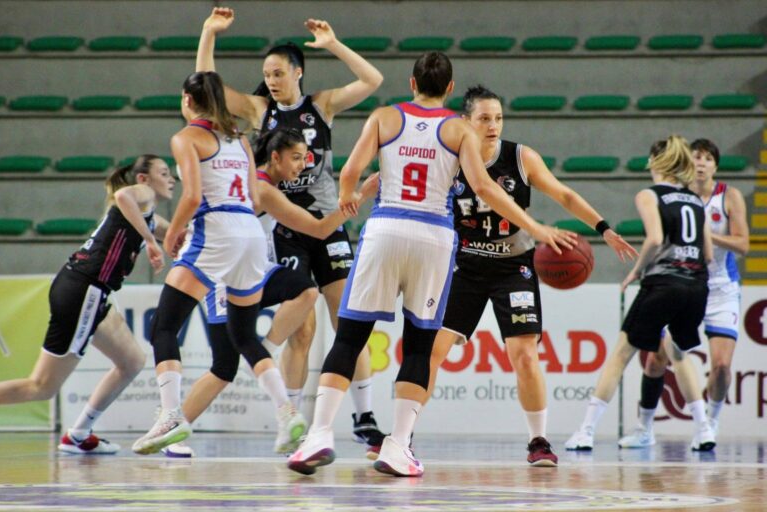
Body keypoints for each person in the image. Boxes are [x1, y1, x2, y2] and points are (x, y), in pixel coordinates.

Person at [287, 52, 573, 477]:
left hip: (385, 229)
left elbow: (350, 171)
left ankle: (319, 433)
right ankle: (398, 445)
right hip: (434, 237)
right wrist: (533, 224)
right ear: (451, 89)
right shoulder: (459, 129)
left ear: (411, 83)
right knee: (420, 345)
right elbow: (484, 188)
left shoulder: (385, 117)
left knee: (349, 337)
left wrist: (349, 195)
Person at [197, 7, 388, 456]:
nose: (273, 79)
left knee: (349, 323)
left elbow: (373, 81)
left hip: (329, 226)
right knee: (302, 331)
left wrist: (336, 45)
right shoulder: (258, 109)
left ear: (298, 72)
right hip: (285, 229)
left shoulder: (321, 105)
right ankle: (293, 420)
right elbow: (207, 86)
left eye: (279, 72)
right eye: (267, 73)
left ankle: (364, 418)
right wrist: (209, 33)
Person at [424, 85, 637, 467]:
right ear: (464, 122)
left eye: (498, 118)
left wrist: (602, 227)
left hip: (514, 266)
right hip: (464, 266)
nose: (493, 126)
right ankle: (403, 437)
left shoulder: (519, 157)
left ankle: (538, 440)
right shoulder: (449, 160)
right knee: (431, 351)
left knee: (523, 355)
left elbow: (564, 195)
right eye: (484, 119)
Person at [162, 127, 377, 457]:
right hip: (220, 273)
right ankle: (176, 426)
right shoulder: (262, 188)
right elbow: (319, 229)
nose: (302, 164)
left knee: (306, 292)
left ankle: (262, 351)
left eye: (306, 157)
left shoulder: (263, 184)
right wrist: (360, 196)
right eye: (295, 157)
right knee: (223, 366)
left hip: (250, 270)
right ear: (274, 157)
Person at [132, 71, 298, 455]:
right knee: (243, 335)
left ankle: (172, 413)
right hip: (250, 234)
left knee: (164, 325)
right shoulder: (239, 139)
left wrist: (174, 232)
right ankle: (287, 411)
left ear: (187, 101)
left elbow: (190, 196)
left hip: (217, 229)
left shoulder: (186, 137)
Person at [0, 155, 174, 454]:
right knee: (41, 387)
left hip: (89, 291)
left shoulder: (147, 214)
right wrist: (150, 242)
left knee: (132, 361)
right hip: (84, 290)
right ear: (143, 179)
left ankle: (78, 435)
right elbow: (122, 196)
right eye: (164, 172)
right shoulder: (140, 195)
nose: (171, 178)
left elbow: (176, 233)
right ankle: (77, 435)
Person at [565, 135, 714, 452]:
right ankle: (703, 430)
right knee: (678, 354)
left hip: (664, 283)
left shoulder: (650, 195)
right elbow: (709, 254)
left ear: (653, 162)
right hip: (697, 285)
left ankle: (586, 432)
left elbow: (656, 238)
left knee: (620, 353)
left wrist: (636, 271)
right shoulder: (695, 199)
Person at [618, 138, 748, 450]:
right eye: (696, 158)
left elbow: (743, 244)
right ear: (686, 164)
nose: (701, 163)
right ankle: (644, 428)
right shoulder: (677, 196)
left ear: (716, 165)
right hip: (684, 283)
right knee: (655, 362)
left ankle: (710, 424)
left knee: (721, 367)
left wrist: (706, 230)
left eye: (707, 158)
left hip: (720, 289)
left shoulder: (728, 196)